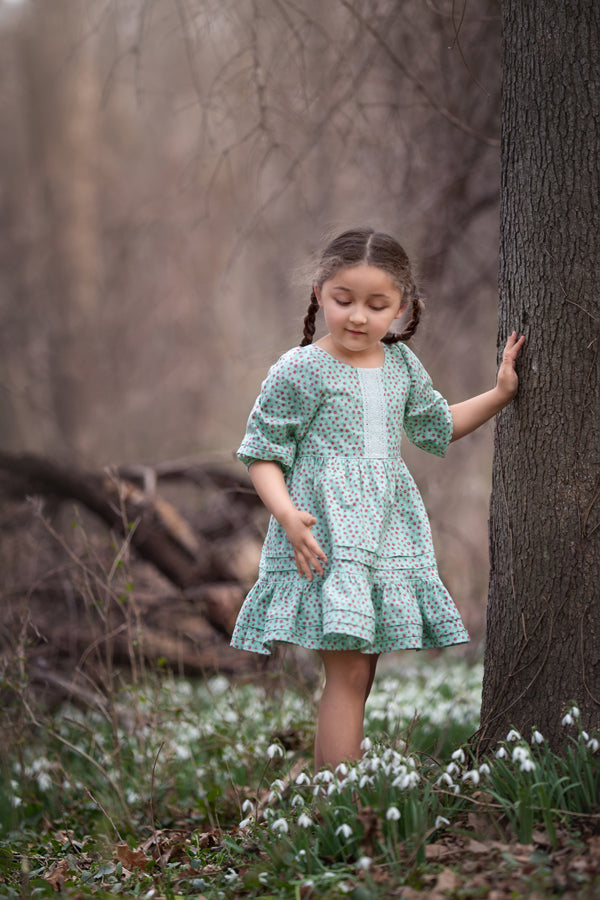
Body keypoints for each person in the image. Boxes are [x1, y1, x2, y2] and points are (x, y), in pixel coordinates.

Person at [231, 227, 525, 770]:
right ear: (320, 293)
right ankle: (338, 801)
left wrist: (501, 393)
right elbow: (263, 452)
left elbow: (437, 425)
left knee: (359, 671)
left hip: (383, 534)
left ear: (402, 307)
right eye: (344, 300)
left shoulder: (401, 366)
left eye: (377, 304)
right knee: (346, 674)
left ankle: (333, 793)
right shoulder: (300, 369)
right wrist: (287, 515)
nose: (358, 317)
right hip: (328, 535)